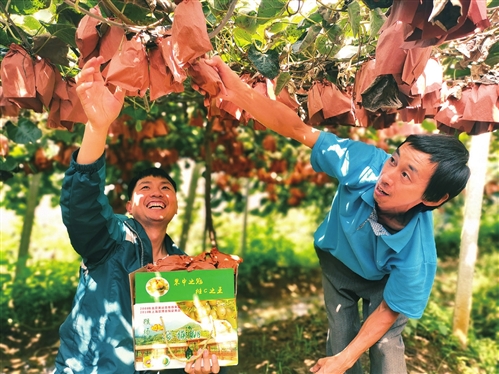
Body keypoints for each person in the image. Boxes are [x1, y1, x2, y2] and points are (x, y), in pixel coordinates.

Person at [205, 56, 470, 374]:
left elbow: (389, 309)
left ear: (432, 198)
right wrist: (237, 91)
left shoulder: (418, 256)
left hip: (384, 283)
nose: (387, 176)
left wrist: (345, 360)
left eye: (406, 175)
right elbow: (296, 128)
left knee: (385, 347)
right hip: (338, 264)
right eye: (394, 161)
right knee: (341, 340)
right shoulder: (366, 164)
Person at [54, 56, 222, 374]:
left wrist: (200, 367)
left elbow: (187, 340)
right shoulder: (110, 239)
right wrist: (97, 127)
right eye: (145, 187)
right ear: (129, 205)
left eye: (166, 188)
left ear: (175, 206)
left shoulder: (186, 268)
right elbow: (83, 208)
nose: (157, 192)